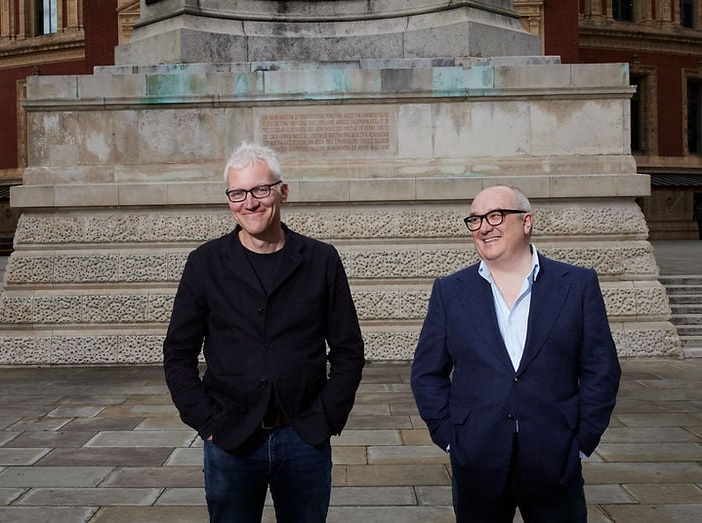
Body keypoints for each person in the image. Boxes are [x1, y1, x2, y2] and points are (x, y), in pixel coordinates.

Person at [163, 142, 365, 522]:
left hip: (304, 435)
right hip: (230, 439)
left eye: (260, 190)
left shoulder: (321, 260)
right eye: (238, 193)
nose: (250, 203)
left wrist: (326, 415)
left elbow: (349, 349)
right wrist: (206, 420)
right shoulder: (204, 263)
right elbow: (177, 352)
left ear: (282, 192)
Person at [410, 184, 621, 522]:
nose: (483, 227)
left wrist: (583, 439)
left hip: (556, 457)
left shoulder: (577, 284)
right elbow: (426, 372)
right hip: (477, 460)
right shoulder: (450, 291)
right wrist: (450, 437)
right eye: (475, 219)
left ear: (526, 222)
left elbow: (601, 368)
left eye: (495, 216)